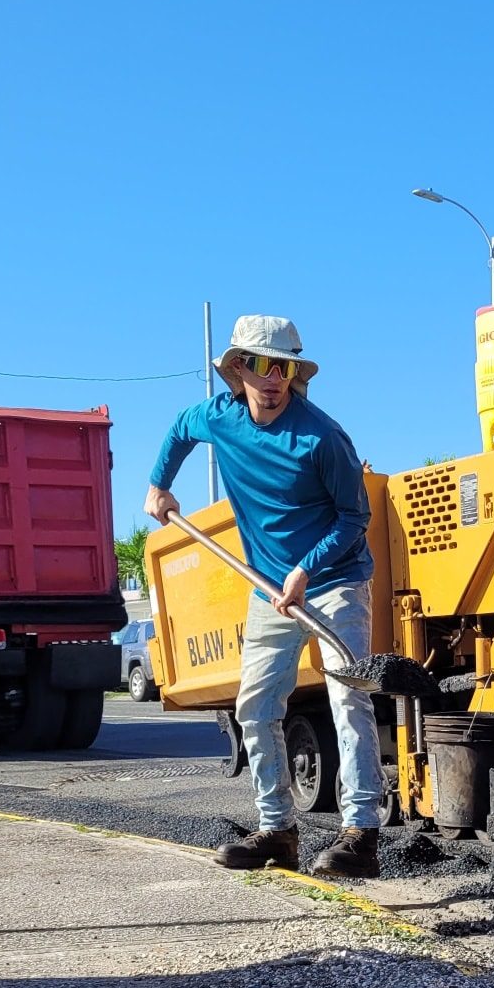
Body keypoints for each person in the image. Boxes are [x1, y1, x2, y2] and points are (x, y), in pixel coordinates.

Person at [145, 315, 386, 877]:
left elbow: (356, 517)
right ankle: (277, 830)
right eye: (259, 365)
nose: (272, 377)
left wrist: (307, 569)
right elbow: (181, 427)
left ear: (294, 373)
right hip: (268, 590)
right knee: (255, 706)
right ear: (237, 370)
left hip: (334, 584)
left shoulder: (322, 437)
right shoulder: (221, 419)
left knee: (349, 701)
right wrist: (159, 483)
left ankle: (362, 837)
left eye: (284, 367)